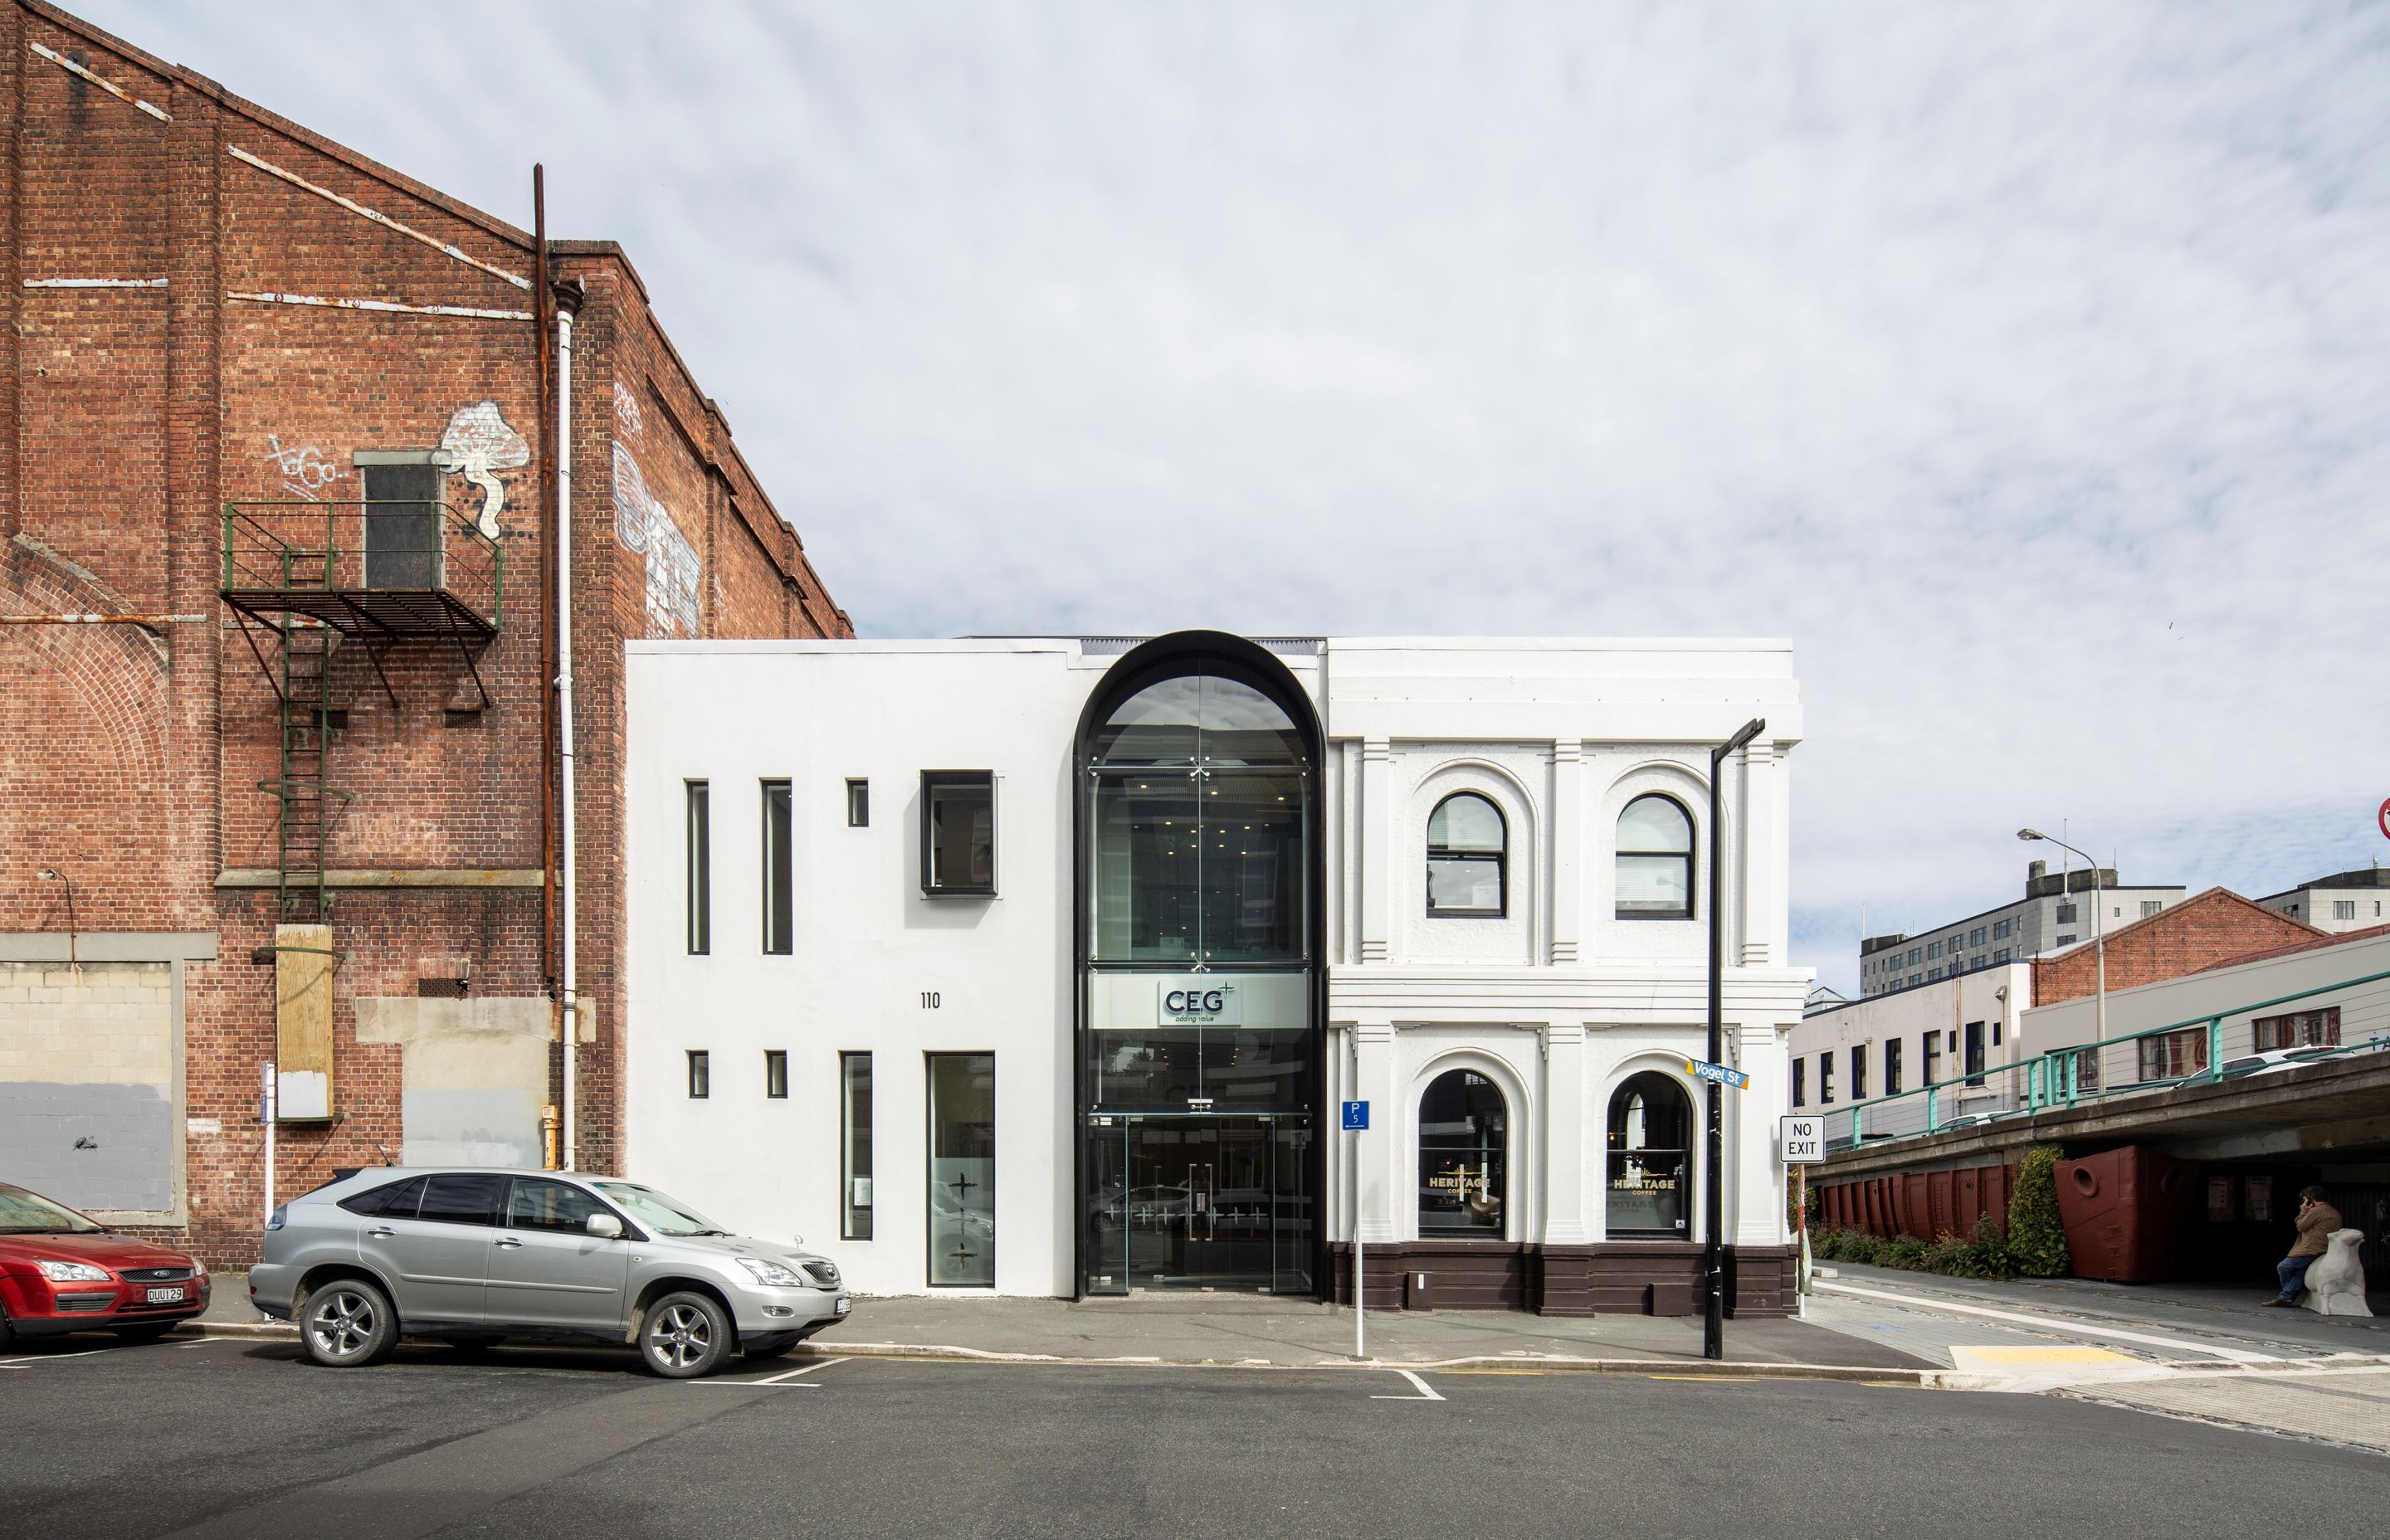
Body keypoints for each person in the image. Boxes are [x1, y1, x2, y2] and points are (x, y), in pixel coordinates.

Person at [2262, 1186, 2342, 1307]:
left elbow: (2301, 1226)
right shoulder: (2333, 1211)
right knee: (2300, 1273)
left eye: (2305, 1200)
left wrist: (2303, 1211)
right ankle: (2286, 1297)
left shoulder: (2316, 1211)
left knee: (2284, 1267)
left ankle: (2286, 1296)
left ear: (2310, 1199)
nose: (2303, 1202)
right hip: (2323, 1248)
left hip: (2310, 1249)